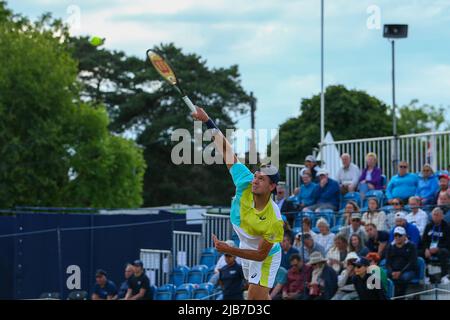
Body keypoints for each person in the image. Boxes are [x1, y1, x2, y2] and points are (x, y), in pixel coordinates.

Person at [193, 107, 284, 300]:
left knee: (252, 299)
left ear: (272, 186)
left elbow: (260, 255)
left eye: (261, 179)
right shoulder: (245, 181)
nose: (255, 180)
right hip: (246, 249)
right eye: (256, 176)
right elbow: (226, 150)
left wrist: (229, 250)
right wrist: (207, 120)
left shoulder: (274, 220)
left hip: (265, 257)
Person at [385, 226, 418, 297]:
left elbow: (412, 262)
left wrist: (401, 272)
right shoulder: (390, 247)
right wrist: (392, 272)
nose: (397, 237)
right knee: (384, 276)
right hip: (393, 270)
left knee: (404, 277)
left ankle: (399, 297)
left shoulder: (411, 246)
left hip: (407, 270)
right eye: (395, 235)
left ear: (405, 236)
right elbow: (387, 263)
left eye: (400, 235)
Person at [422, 207, 450, 284]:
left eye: (437, 215)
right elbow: (424, 240)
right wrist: (426, 249)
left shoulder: (447, 226)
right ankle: (426, 276)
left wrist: (438, 248)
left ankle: (444, 276)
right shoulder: (428, 226)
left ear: (442, 216)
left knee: (443, 252)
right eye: (434, 215)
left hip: (441, 248)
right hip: (429, 249)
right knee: (419, 253)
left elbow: (448, 242)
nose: (435, 217)